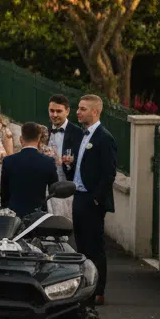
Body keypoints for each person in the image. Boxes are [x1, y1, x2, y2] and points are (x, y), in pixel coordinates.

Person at [72, 94, 118, 304]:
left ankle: (98, 291)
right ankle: (84, 287)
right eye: (78, 108)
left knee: (95, 246)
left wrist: (96, 199)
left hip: (92, 199)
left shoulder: (104, 137)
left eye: (83, 109)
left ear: (95, 111)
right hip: (79, 196)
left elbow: (109, 173)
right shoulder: (83, 134)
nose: (78, 112)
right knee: (81, 244)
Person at [0, 122, 60, 218]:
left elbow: (4, 192)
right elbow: (54, 189)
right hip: (39, 216)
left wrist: (6, 209)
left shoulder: (8, 161)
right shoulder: (48, 161)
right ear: (39, 139)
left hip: (13, 215)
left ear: (21, 139)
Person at [44, 94, 83, 218]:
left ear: (67, 111)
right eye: (52, 111)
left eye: (59, 111)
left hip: (68, 188)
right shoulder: (44, 131)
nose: (54, 115)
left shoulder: (78, 133)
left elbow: (85, 161)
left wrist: (72, 161)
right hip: (46, 188)